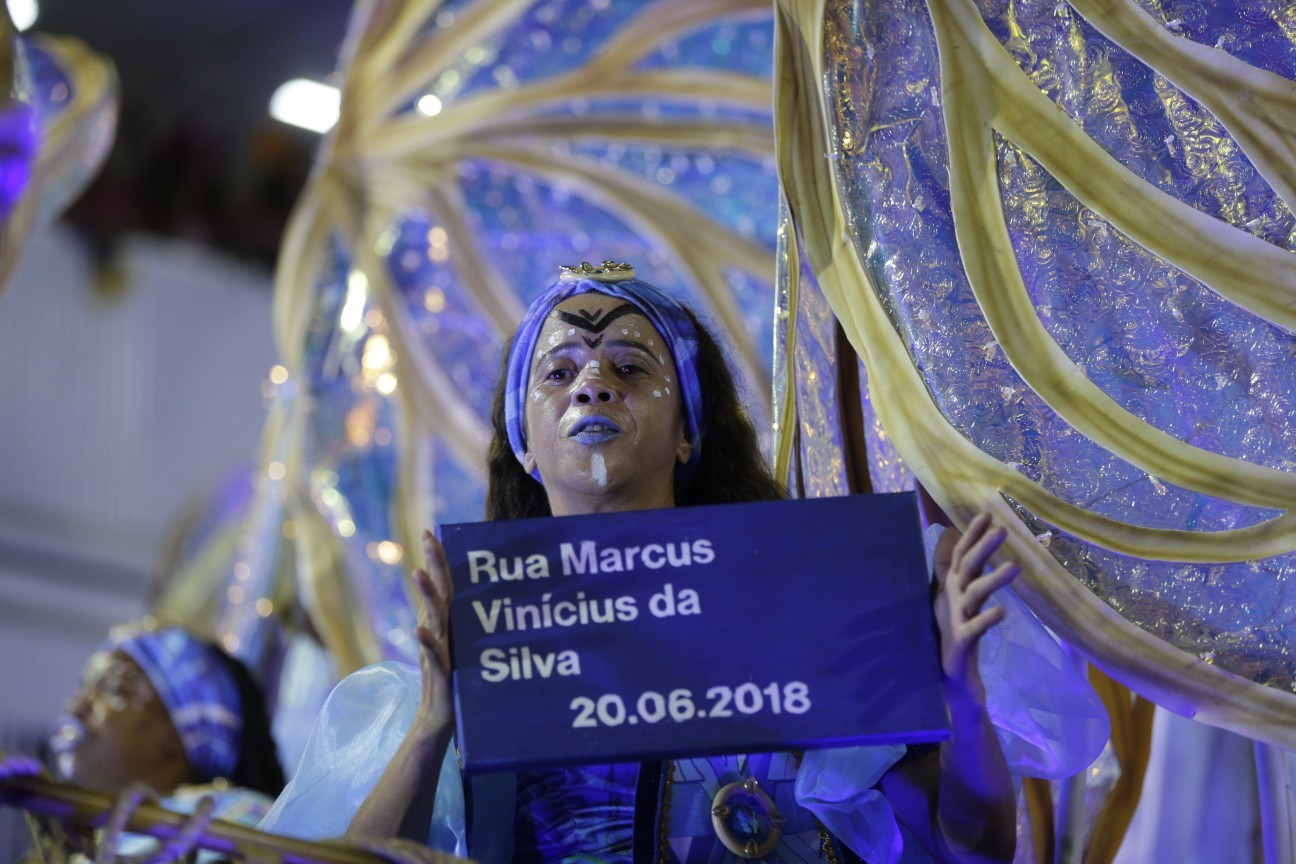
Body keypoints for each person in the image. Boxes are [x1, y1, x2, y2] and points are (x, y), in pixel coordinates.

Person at [262, 262, 1103, 862]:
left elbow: (973, 846)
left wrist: (959, 696)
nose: (593, 383)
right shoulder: (474, 666)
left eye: (631, 366)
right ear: (524, 444)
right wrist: (434, 727)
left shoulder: (816, 613)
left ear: (691, 429)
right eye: (559, 372)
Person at [8, 623, 286, 860]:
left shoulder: (242, 819)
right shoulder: (83, 848)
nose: (76, 706)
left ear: (182, 736)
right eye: (84, 687)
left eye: (114, 689)